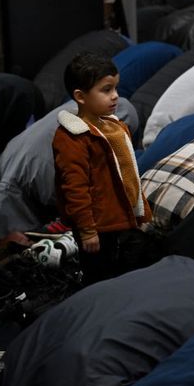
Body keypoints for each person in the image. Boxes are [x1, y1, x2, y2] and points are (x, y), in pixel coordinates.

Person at [52, 52, 151, 285]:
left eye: (116, 88)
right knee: (99, 277)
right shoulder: (72, 137)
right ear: (80, 96)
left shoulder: (114, 126)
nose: (115, 96)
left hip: (121, 218)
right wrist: (87, 230)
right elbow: (75, 188)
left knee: (124, 272)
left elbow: (128, 174)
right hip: (98, 226)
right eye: (106, 90)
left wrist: (141, 212)